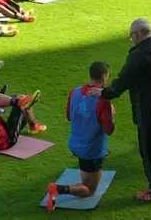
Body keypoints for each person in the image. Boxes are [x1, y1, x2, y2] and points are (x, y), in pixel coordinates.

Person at [98, 18, 151, 202]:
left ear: (136, 35)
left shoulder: (139, 55)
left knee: (148, 152)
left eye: (131, 36)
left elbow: (123, 82)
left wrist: (105, 93)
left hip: (149, 113)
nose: (132, 39)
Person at [45, 62, 115, 212]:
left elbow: (69, 116)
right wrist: (111, 115)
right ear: (104, 77)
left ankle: (98, 161)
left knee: (90, 170)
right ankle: (57, 189)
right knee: (89, 190)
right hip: (91, 151)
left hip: (75, 144)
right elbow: (109, 130)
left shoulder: (74, 92)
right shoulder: (103, 100)